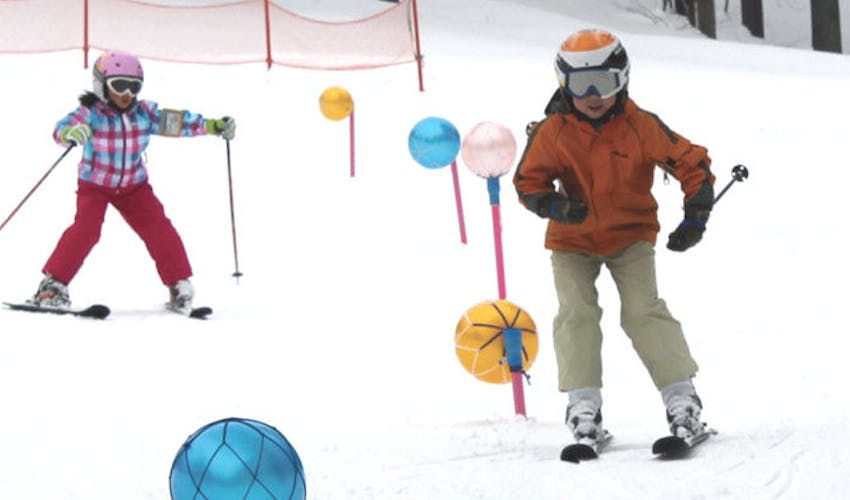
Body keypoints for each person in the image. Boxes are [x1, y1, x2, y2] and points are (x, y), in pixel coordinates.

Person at [513, 29, 715, 450]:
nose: (592, 95)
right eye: (579, 84)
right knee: (576, 313)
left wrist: (695, 214)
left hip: (630, 235)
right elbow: (528, 181)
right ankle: (583, 407)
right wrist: (555, 206)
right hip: (572, 241)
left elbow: (691, 162)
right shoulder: (553, 131)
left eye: (603, 83)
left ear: (622, 79)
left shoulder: (640, 126)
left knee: (643, 311)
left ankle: (683, 401)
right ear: (562, 83)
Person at [29, 50, 236, 312]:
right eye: (119, 86)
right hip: (95, 186)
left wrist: (212, 126)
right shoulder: (92, 113)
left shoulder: (144, 113)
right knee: (86, 230)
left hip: (134, 187)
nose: (127, 94)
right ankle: (52, 287)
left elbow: (180, 123)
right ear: (102, 86)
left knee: (159, 228)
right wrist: (71, 132)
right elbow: (61, 129)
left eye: (134, 87)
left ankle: (179, 286)